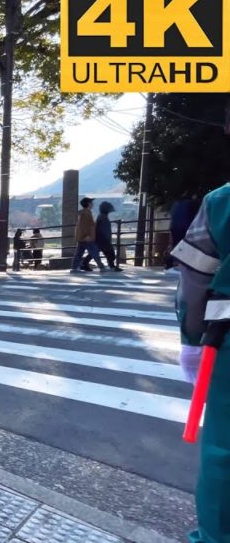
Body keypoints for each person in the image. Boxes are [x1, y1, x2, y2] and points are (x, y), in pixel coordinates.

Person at [170, 183, 230, 543]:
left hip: (227, 341)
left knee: (224, 453)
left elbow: (194, 278)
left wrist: (191, 340)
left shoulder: (222, 202)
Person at [72, 197, 105, 274]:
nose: (92, 204)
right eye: (91, 202)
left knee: (79, 253)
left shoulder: (85, 213)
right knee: (95, 252)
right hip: (87, 237)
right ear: (88, 204)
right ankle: (102, 267)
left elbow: (84, 225)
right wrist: (87, 235)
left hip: (82, 237)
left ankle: (74, 268)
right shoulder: (86, 214)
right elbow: (85, 226)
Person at [95, 201, 122, 272]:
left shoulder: (101, 216)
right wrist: (107, 238)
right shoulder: (103, 218)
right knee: (110, 253)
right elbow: (104, 230)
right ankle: (112, 266)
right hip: (103, 239)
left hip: (101, 239)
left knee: (95, 252)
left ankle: (112, 266)